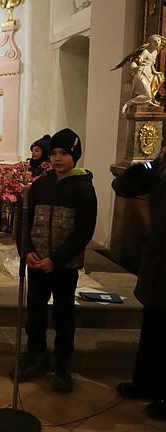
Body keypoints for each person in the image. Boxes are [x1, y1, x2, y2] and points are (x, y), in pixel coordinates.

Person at [12, 128, 97, 393]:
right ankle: (36, 355)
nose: (58, 158)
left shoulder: (83, 189)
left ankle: (62, 363)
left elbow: (84, 232)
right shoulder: (40, 185)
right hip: (36, 262)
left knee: (63, 315)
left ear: (75, 155)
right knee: (35, 312)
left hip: (64, 266)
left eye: (64, 153)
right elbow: (24, 220)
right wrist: (26, 251)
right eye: (54, 154)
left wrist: (56, 260)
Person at [112, 146, 166, 421]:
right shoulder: (160, 162)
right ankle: (145, 382)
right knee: (153, 323)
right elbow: (122, 186)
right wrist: (147, 168)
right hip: (159, 257)